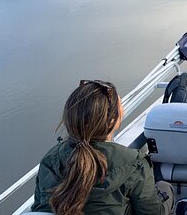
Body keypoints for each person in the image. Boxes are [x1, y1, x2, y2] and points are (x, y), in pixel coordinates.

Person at [31, 79, 174, 215]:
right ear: (112, 121)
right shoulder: (134, 163)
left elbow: (40, 208)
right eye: (120, 105)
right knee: (165, 187)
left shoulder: (50, 160)